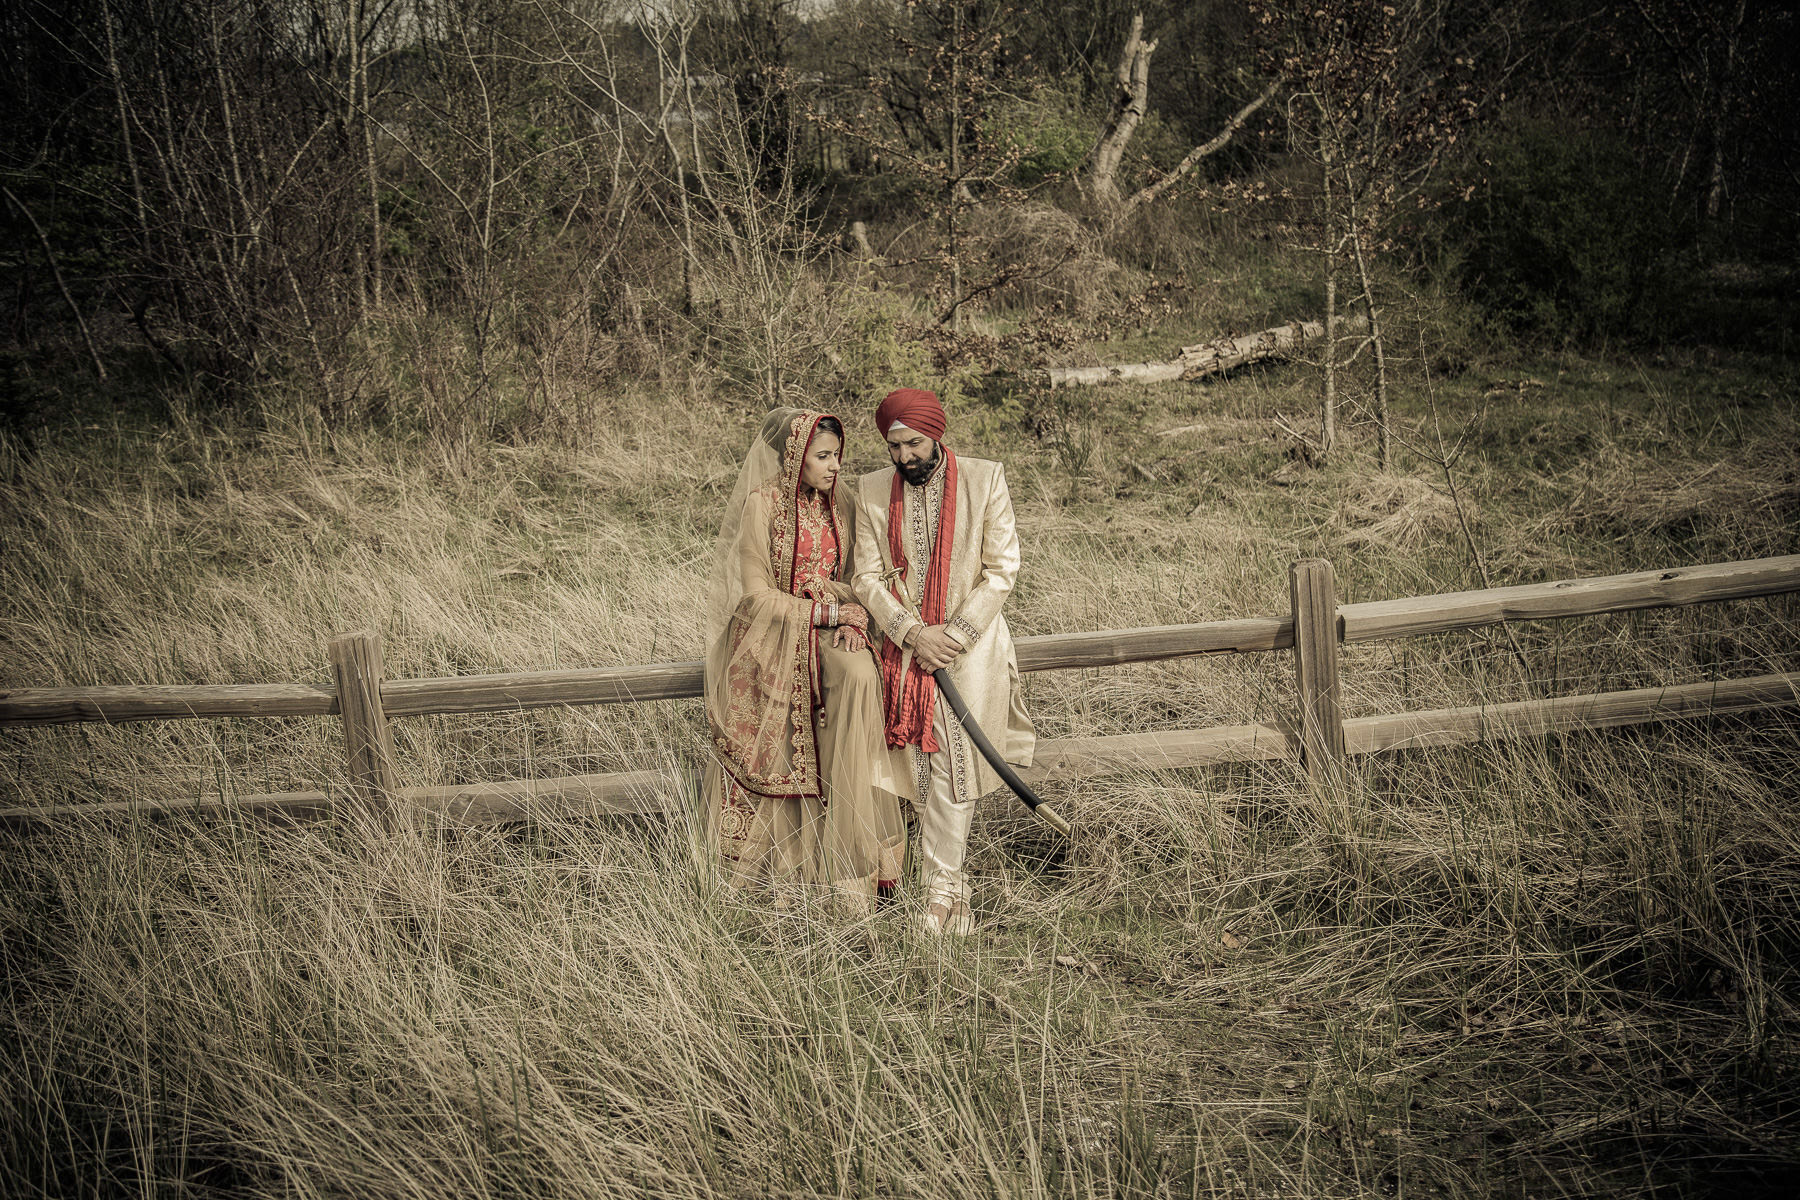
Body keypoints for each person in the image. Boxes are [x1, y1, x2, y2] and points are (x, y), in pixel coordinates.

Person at [703, 408, 910, 908]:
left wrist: (856, 616)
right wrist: (828, 612)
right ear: (794, 456)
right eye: (823, 456)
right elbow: (756, 597)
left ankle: (854, 866)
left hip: (835, 629)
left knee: (863, 678)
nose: (835, 466)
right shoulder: (763, 505)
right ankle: (804, 875)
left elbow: (868, 576)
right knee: (846, 685)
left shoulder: (842, 504)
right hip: (774, 635)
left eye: (838, 455)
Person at [850, 388, 1036, 936]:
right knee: (914, 773)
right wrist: (912, 633)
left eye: (914, 443)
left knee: (956, 768)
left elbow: (1002, 569)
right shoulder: (871, 491)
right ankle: (943, 890)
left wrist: (950, 637)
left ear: (937, 434)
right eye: (894, 446)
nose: (905, 456)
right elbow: (865, 575)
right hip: (901, 648)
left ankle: (941, 892)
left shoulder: (985, 478)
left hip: (969, 649)